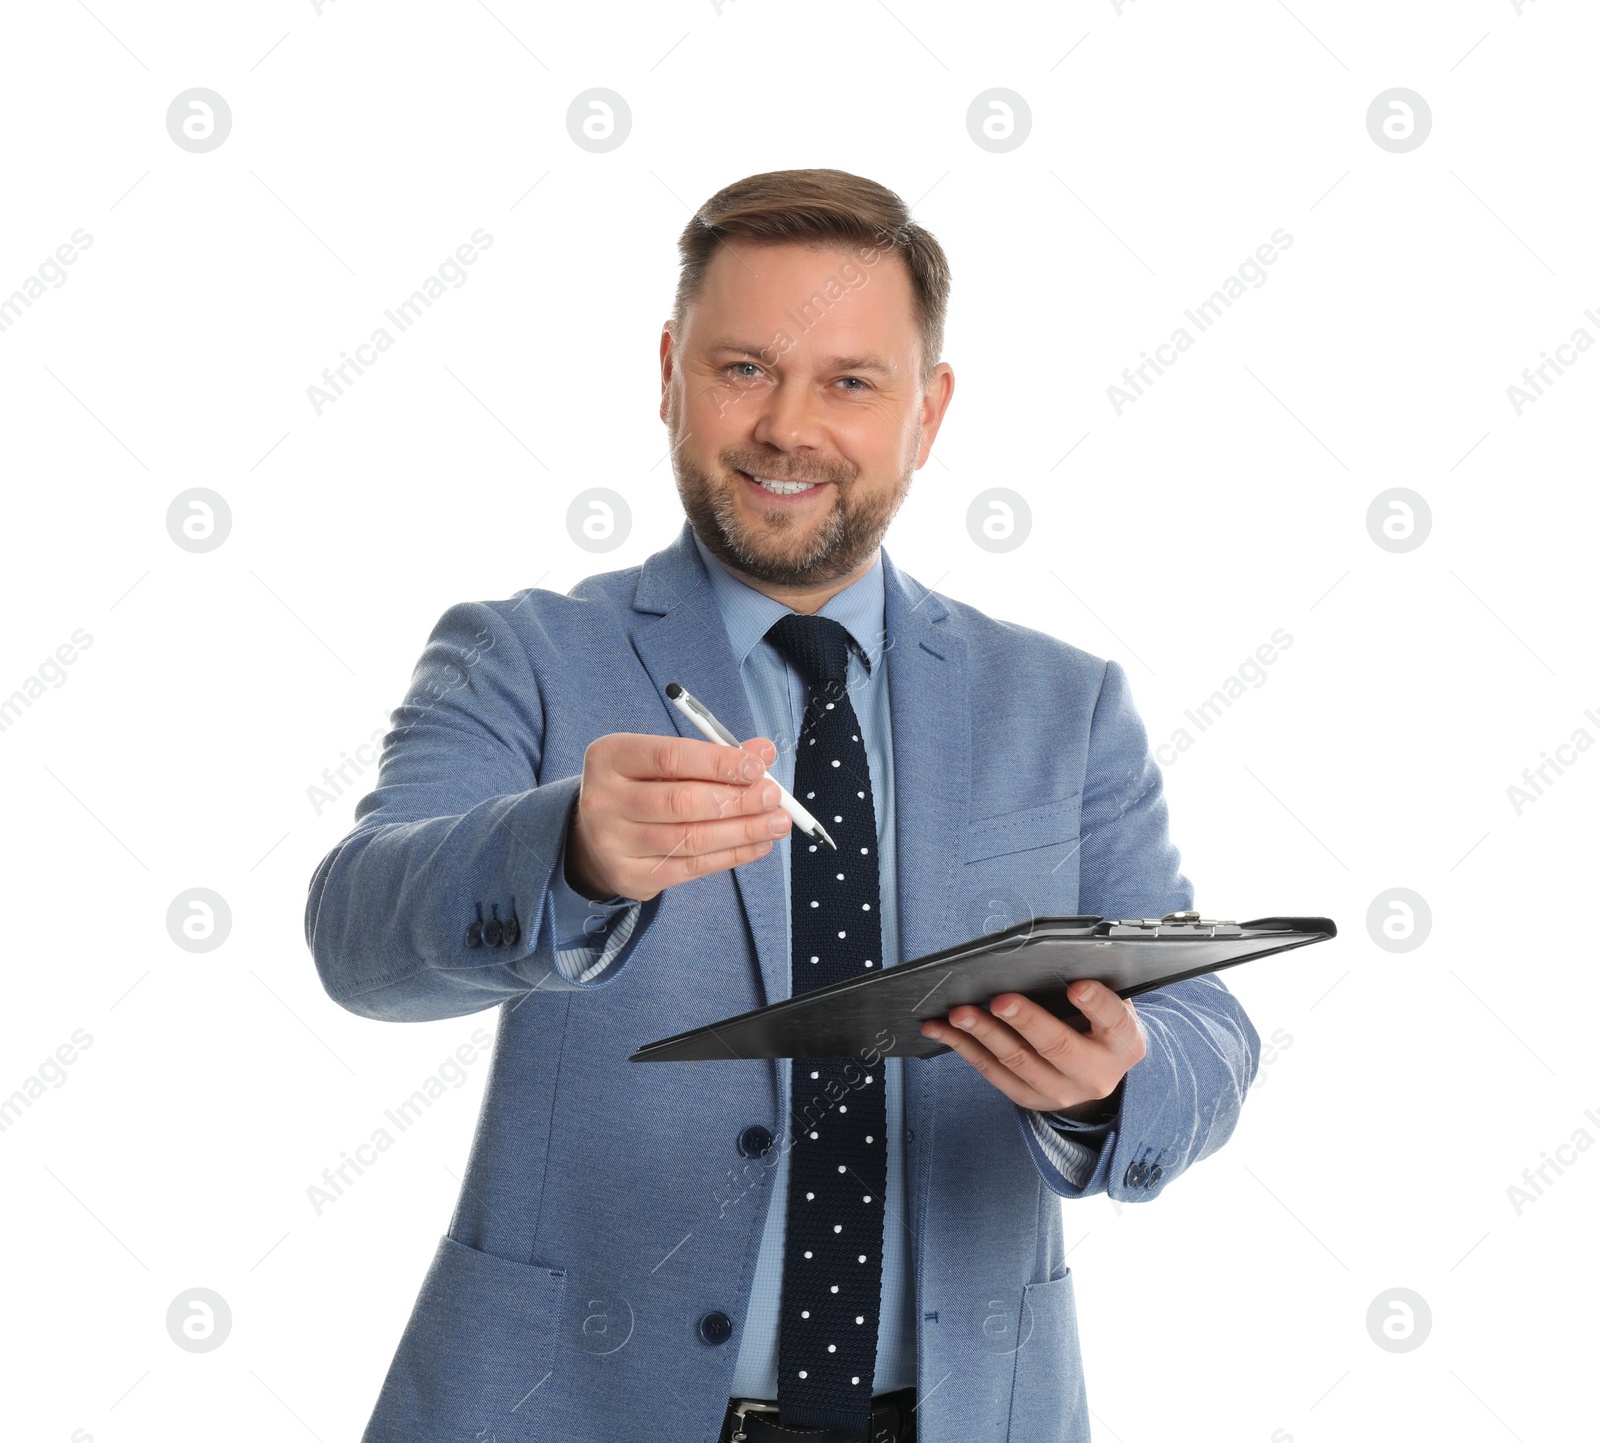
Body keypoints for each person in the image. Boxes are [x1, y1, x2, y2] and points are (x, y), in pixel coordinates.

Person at [305, 167, 1260, 1443]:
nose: (786, 428)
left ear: (929, 413)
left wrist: (1109, 1082)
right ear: (668, 376)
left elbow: (1202, 1021)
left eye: (850, 383)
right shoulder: (523, 654)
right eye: (743, 368)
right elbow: (360, 939)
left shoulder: (1061, 702)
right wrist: (569, 853)